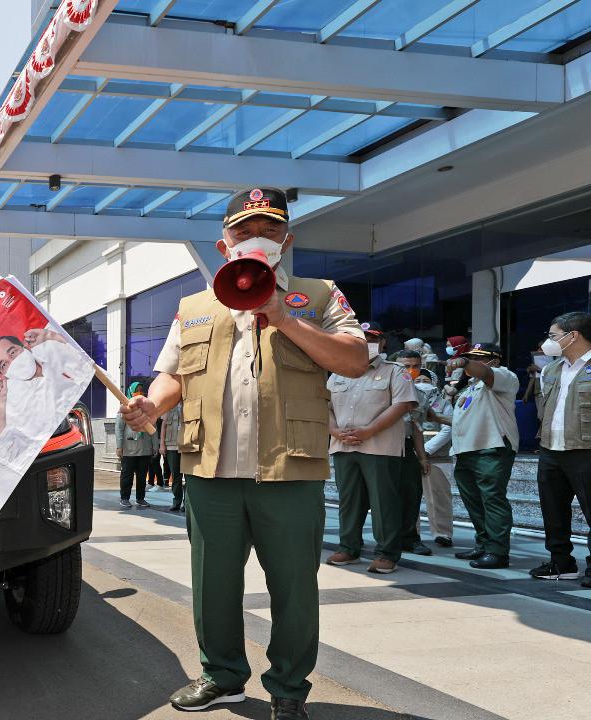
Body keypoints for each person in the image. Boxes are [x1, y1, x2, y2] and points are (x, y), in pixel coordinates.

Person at [122, 187, 367, 720]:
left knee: (294, 588)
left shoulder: (318, 295)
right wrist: (151, 407)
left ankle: (287, 689)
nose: (258, 238)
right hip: (211, 470)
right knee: (213, 584)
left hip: (290, 468)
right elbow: (173, 375)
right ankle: (222, 676)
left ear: (287, 239)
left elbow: (353, 360)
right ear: (223, 242)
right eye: (245, 230)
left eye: (270, 229)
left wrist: (284, 316)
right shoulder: (193, 307)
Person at [326, 323, 419, 573]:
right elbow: (324, 406)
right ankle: (348, 547)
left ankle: (387, 553)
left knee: (383, 502)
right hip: (343, 446)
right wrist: (334, 431)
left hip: (380, 447)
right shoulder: (337, 373)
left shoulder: (394, 371)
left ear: (382, 343)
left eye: (371, 339)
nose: (365, 343)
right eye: (360, 338)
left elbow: (402, 405)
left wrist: (368, 431)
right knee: (349, 501)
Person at [443, 342, 519, 569]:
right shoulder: (469, 388)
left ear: (493, 360)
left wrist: (465, 363)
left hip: (491, 448)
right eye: (469, 358)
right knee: (474, 501)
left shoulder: (504, 376)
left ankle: (497, 551)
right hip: (466, 451)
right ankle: (484, 544)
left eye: (478, 358)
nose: (472, 363)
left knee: (492, 499)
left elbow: (484, 372)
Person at [530, 312, 591, 586]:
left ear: (573, 335)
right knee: (553, 511)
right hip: (551, 450)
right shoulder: (551, 370)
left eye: (554, 335)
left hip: (586, 450)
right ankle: (561, 563)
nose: (549, 341)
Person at [0, 326, 89, 473]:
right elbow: (2, 455)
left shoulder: (55, 359)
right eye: (4, 364)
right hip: (41, 467)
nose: (12, 362)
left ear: (24, 347)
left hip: (65, 452)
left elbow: (86, 369)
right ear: (3, 374)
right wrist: (0, 407)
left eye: (13, 352)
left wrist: (52, 336)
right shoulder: (14, 404)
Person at [393, 350, 433, 556]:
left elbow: (417, 427)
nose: (410, 370)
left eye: (415, 366)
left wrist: (422, 457)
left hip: (406, 446)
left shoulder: (420, 395)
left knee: (411, 493)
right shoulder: (381, 387)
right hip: (379, 446)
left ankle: (410, 537)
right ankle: (356, 539)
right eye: (405, 365)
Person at [418, 370, 455, 547]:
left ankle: (442, 533)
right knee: (408, 498)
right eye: (417, 380)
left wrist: (425, 450)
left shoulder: (444, 404)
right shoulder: (405, 401)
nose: (421, 383)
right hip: (410, 457)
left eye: (426, 380)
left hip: (437, 458)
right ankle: (410, 532)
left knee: (439, 497)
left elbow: (448, 429)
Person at [115, 382, 156, 509]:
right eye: (136, 390)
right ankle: (124, 498)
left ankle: (140, 498)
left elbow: (153, 429)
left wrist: (155, 445)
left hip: (144, 449)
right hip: (129, 449)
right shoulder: (125, 408)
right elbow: (119, 429)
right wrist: (119, 446)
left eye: (141, 390)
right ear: (131, 392)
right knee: (127, 475)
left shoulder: (147, 409)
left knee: (142, 476)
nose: (139, 392)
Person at [162, 403, 184, 511]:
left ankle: (187, 504)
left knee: (189, 478)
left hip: (187, 446)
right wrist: (162, 444)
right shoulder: (169, 406)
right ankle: (177, 502)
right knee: (176, 476)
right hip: (171, 446)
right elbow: (164, 425)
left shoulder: (189, 403)